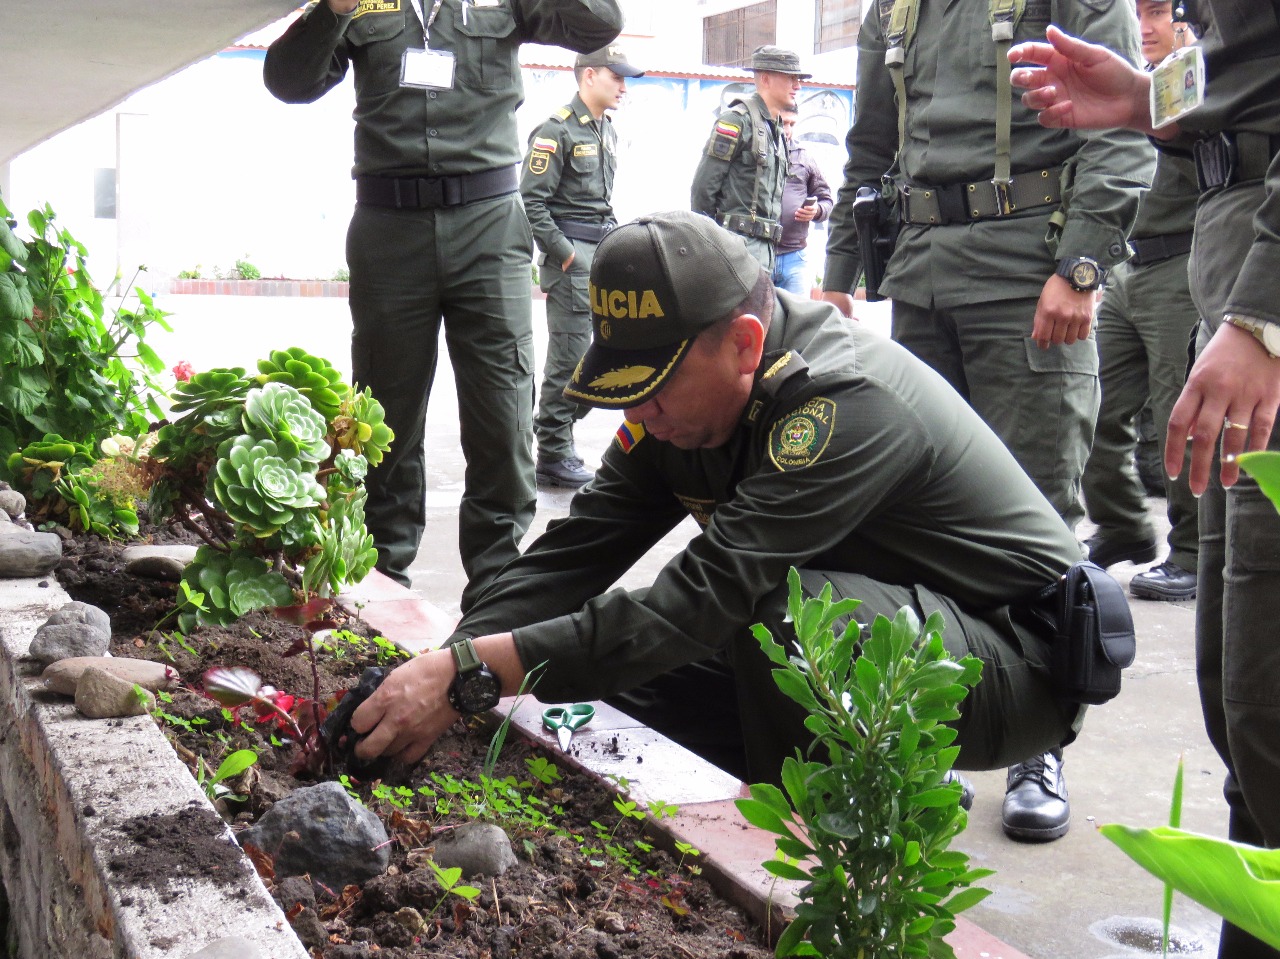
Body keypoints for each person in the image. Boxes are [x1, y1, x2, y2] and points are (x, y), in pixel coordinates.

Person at [349, 210, 1090, 801]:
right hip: (887, 621)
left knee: (789, 618)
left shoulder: (845, 403)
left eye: (655, 386)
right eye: (626, 385)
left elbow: (700, 600)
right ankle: (821, 770)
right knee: (612, 676)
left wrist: (475, 674)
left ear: (743, 344)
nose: (638, 412)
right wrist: (448, 662)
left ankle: (825, 841)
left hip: (1013, 660)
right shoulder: (682, 410)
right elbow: (573, 555)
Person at [819, 0, 1154, 843]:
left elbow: (1119, 131)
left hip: (1028, 282)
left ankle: (1041, 744)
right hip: (920, 280)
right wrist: (837, 273)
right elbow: (871, 142)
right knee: (916, 524)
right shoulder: (894, 7)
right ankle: (935, 731)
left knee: (1038, 528)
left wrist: (1081, 265)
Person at [1009, 8, 1280, 957]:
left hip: (1261, 311)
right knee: (1243, 704)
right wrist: (1151, 102)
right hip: (1234, 284)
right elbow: (1252, 71)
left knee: (1269, 709)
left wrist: (1264, 316)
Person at [262, 0, 623, 610]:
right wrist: (333, 10)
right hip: (389, 228)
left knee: (503, 410)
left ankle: (494, 592)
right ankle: (380, 588)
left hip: (489, 227)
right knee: (385, 414)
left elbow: (600, 23)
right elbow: (288, 82)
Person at [1080, 0, 1200, 602]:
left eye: (1157, 13)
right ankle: (1123, 524)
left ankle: (1195, 551)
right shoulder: (1122, 79)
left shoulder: (1195, 78)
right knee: (1091, 404)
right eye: (1137, 14)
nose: (1144, 27)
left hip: (1182, 266)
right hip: (1125, 266)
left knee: (1183, 418)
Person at [521, 44, 644, 490]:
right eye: (617, 77)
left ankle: (556, 432)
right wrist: (564, 252)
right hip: (573, 260)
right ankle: (553, 451)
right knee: (569, 362)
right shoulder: (556, 131)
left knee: (603, 359)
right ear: (589, 75)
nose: (623, 87)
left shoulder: (604, 129)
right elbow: (532, 200)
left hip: (602, 253)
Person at [690, 45, 809, 271]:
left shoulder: (776, 130)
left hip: (764, 254)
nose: (798, 86)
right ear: (765, 79)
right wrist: (709, 247)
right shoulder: (737, 121)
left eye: (798, 79)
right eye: (791, 78)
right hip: (735, 253)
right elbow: (703, 189)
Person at [772, 108, 833, 296]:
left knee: (798, 313)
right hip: (759, 254)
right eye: (783, 123)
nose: (787, 130)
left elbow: (827, 200)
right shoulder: (754, 153)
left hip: (796, 257)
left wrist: (816, 210)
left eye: (791, 124)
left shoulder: (804, 157)